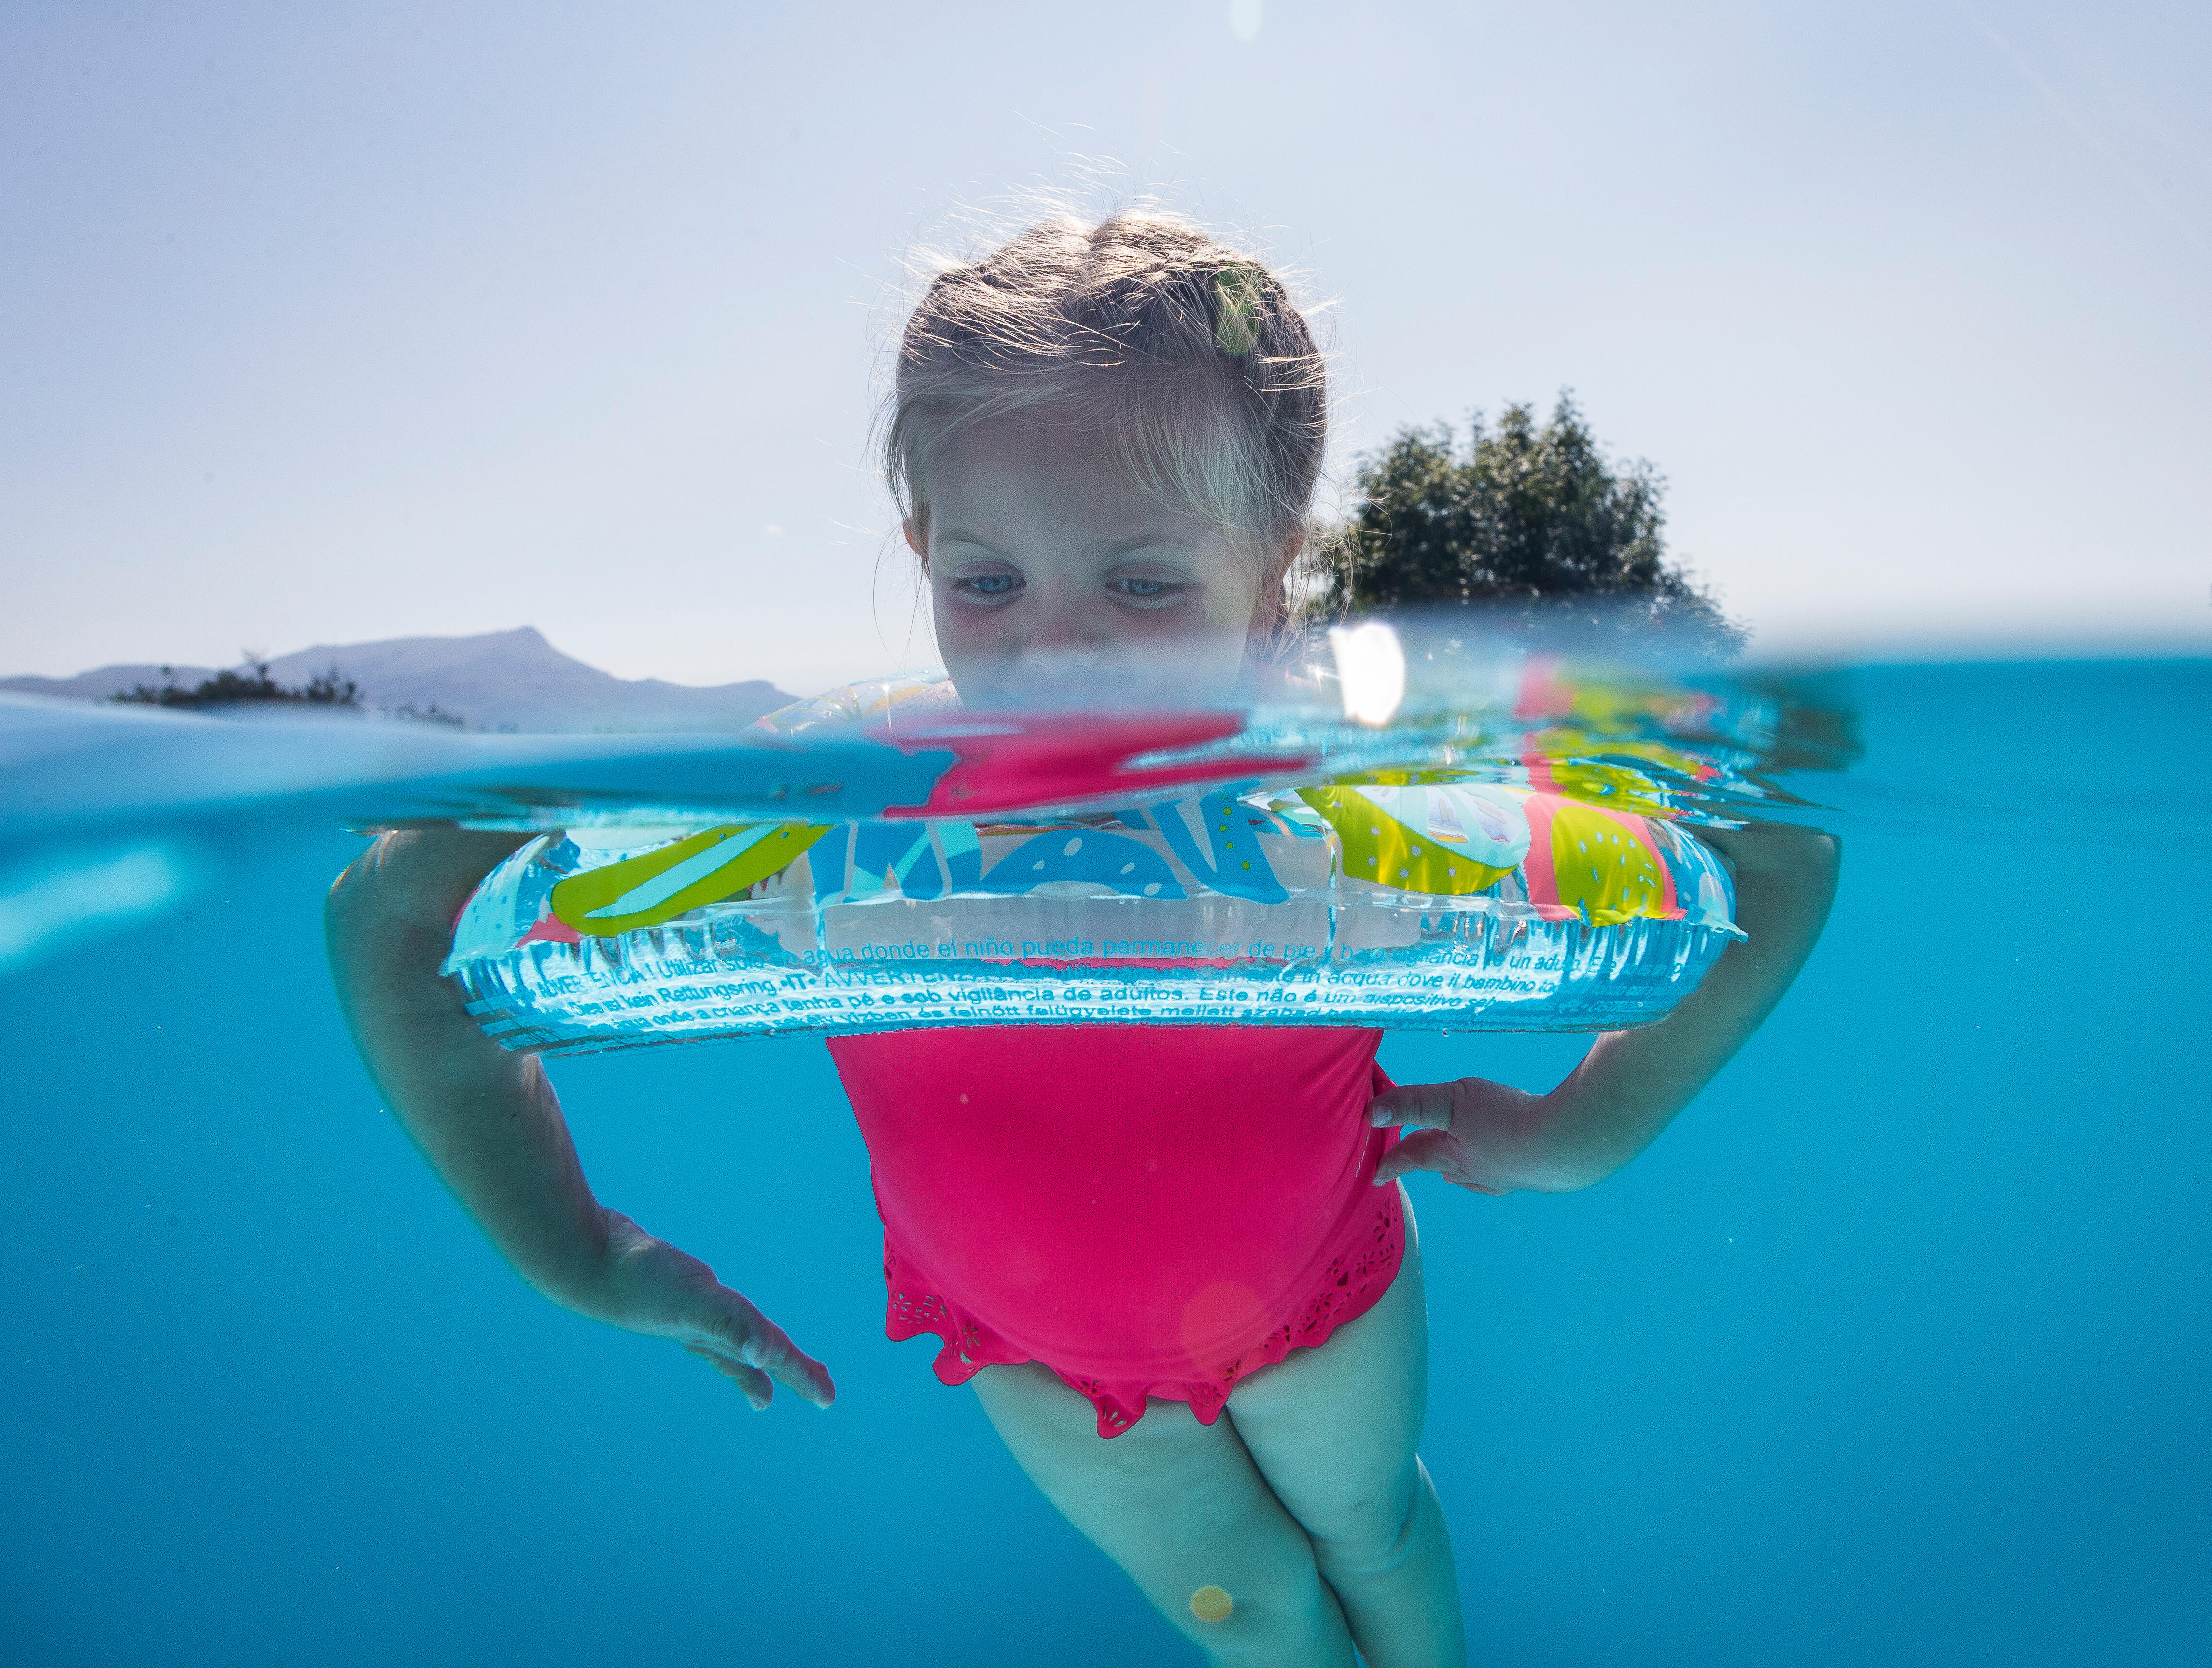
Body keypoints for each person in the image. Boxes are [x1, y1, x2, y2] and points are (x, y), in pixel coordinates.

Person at [325, 210, 1839, 1668]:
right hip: (1040, 1359)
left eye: (1142, 581)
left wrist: (1592, 1129)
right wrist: (583, 1259)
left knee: (1373, 1537)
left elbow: (1779, 841)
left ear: (1272, 565)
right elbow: (389, 907)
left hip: (1321, 1293)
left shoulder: (1349, 779)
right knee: (1256, 1615)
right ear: (920, 544)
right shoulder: (823, 797)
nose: (1056, 650)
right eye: (986, 581)